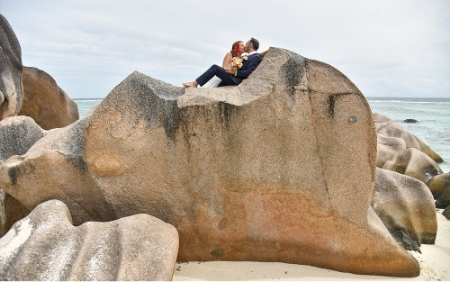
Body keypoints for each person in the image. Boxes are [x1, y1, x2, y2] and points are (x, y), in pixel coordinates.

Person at [183, 38, 261, 88]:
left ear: (250, 46)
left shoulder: (255, 57)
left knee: (215, 68)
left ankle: (195, 83)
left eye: (246, 44)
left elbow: (249, 72)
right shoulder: (247, 56)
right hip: (233, 77)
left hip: (236, 79)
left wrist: (235, 72)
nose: (245, 46)